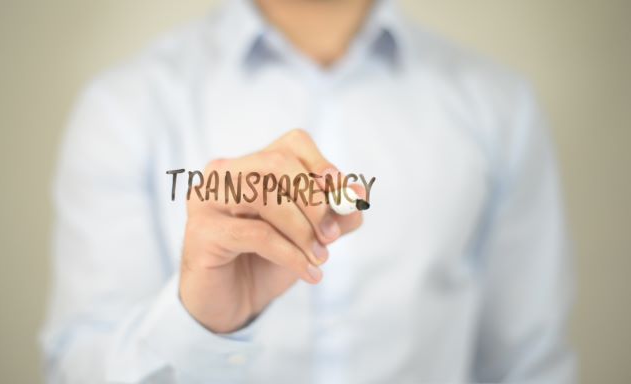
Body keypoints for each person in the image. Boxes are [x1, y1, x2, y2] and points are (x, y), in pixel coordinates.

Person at [41, 0, 575, 382]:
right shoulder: (124, 107)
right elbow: (77, 368)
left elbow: (527, 363)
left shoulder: (500, 108)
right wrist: (198, 324)